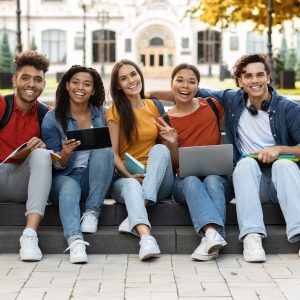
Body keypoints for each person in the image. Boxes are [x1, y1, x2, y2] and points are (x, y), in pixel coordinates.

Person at [194, 54, 300, 262]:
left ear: (268, 78)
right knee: (244, 164)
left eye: (260, 75)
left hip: (285, 185)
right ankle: (252, 237)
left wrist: (279, 149)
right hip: (250, 185)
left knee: (284, 166)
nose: (255, 81)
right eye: (248, 76)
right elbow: (192, 90)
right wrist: (148, 94)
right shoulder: (232, 100)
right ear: (240, 81)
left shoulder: (289, 109)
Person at [155, 63, 234, 261]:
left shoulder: (213, 105)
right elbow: (174, 166)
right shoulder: (166, 121)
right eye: (179, 80)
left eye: (191, 82)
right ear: (171, 83)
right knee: (191, 180)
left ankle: (211, 237)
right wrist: (173, 144)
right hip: (184, 183)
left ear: (198, 86)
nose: (185, 86)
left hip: (219, 178)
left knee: (213, 180)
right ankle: (213, 234)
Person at [42, 65, 114, 264]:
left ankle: (92, 212)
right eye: (75, 82)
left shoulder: (103, 114)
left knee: (104, 149)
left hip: (93, 180)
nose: (80, 87)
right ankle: (75, 241)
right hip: (64, 178)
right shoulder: (52, 118)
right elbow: (54, 163)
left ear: (93, 90)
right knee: (69, 185)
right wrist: (64, 153)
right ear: (66, 85)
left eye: (87, 84)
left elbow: (113, 153)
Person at [106, 59, 174, 261]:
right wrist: (130, 176)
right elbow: (113, 153)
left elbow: (164, 149)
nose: (131, 81)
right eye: (124, 78)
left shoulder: (154, 106)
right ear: (118, 85)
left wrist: (172, 141)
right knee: (132, 186)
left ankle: (139, 208)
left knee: (161, 149)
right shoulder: (116, 111)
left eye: (133, 74)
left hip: (158, 179)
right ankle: (146, 239)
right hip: (128, 178)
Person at [0, 50, 52, 261]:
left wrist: (43, 145)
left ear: (43, 84)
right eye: (26, 78)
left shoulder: (46, 114)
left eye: (37, 80)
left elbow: (57, 155)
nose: (31, 84)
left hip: (21, 182)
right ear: (15, 79)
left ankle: (29, 236)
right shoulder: (3, 104)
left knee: (42, 154)